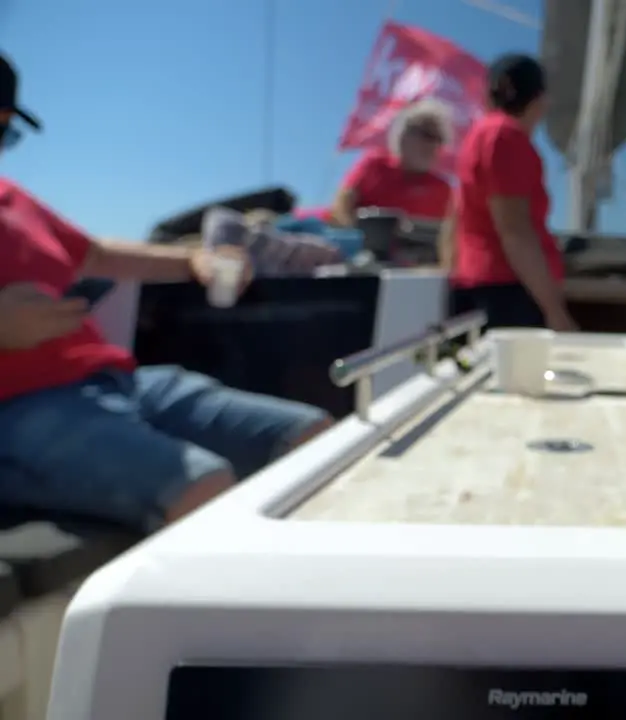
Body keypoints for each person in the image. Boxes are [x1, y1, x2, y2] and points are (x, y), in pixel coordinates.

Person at [0, 53, 332, 532]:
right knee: (203, 485)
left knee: (312, 438)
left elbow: (97, 254)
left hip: (120, 383)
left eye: (6, 134)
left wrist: (194, 259)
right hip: (20, 408)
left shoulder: (15, 198)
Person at [449, 53, 575, 331]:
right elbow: (515, 232)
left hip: (481, 285)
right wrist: (555, 311)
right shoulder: (506, 138)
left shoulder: (479, 135)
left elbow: (456, 218)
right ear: (540, 101)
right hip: (506, 292)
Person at [330, 98, 453, 227]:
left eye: (439, 139)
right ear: (403, 135)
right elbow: (343, 203)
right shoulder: (374, 165)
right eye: (427, 135)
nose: (432, 145)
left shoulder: (444, 190)